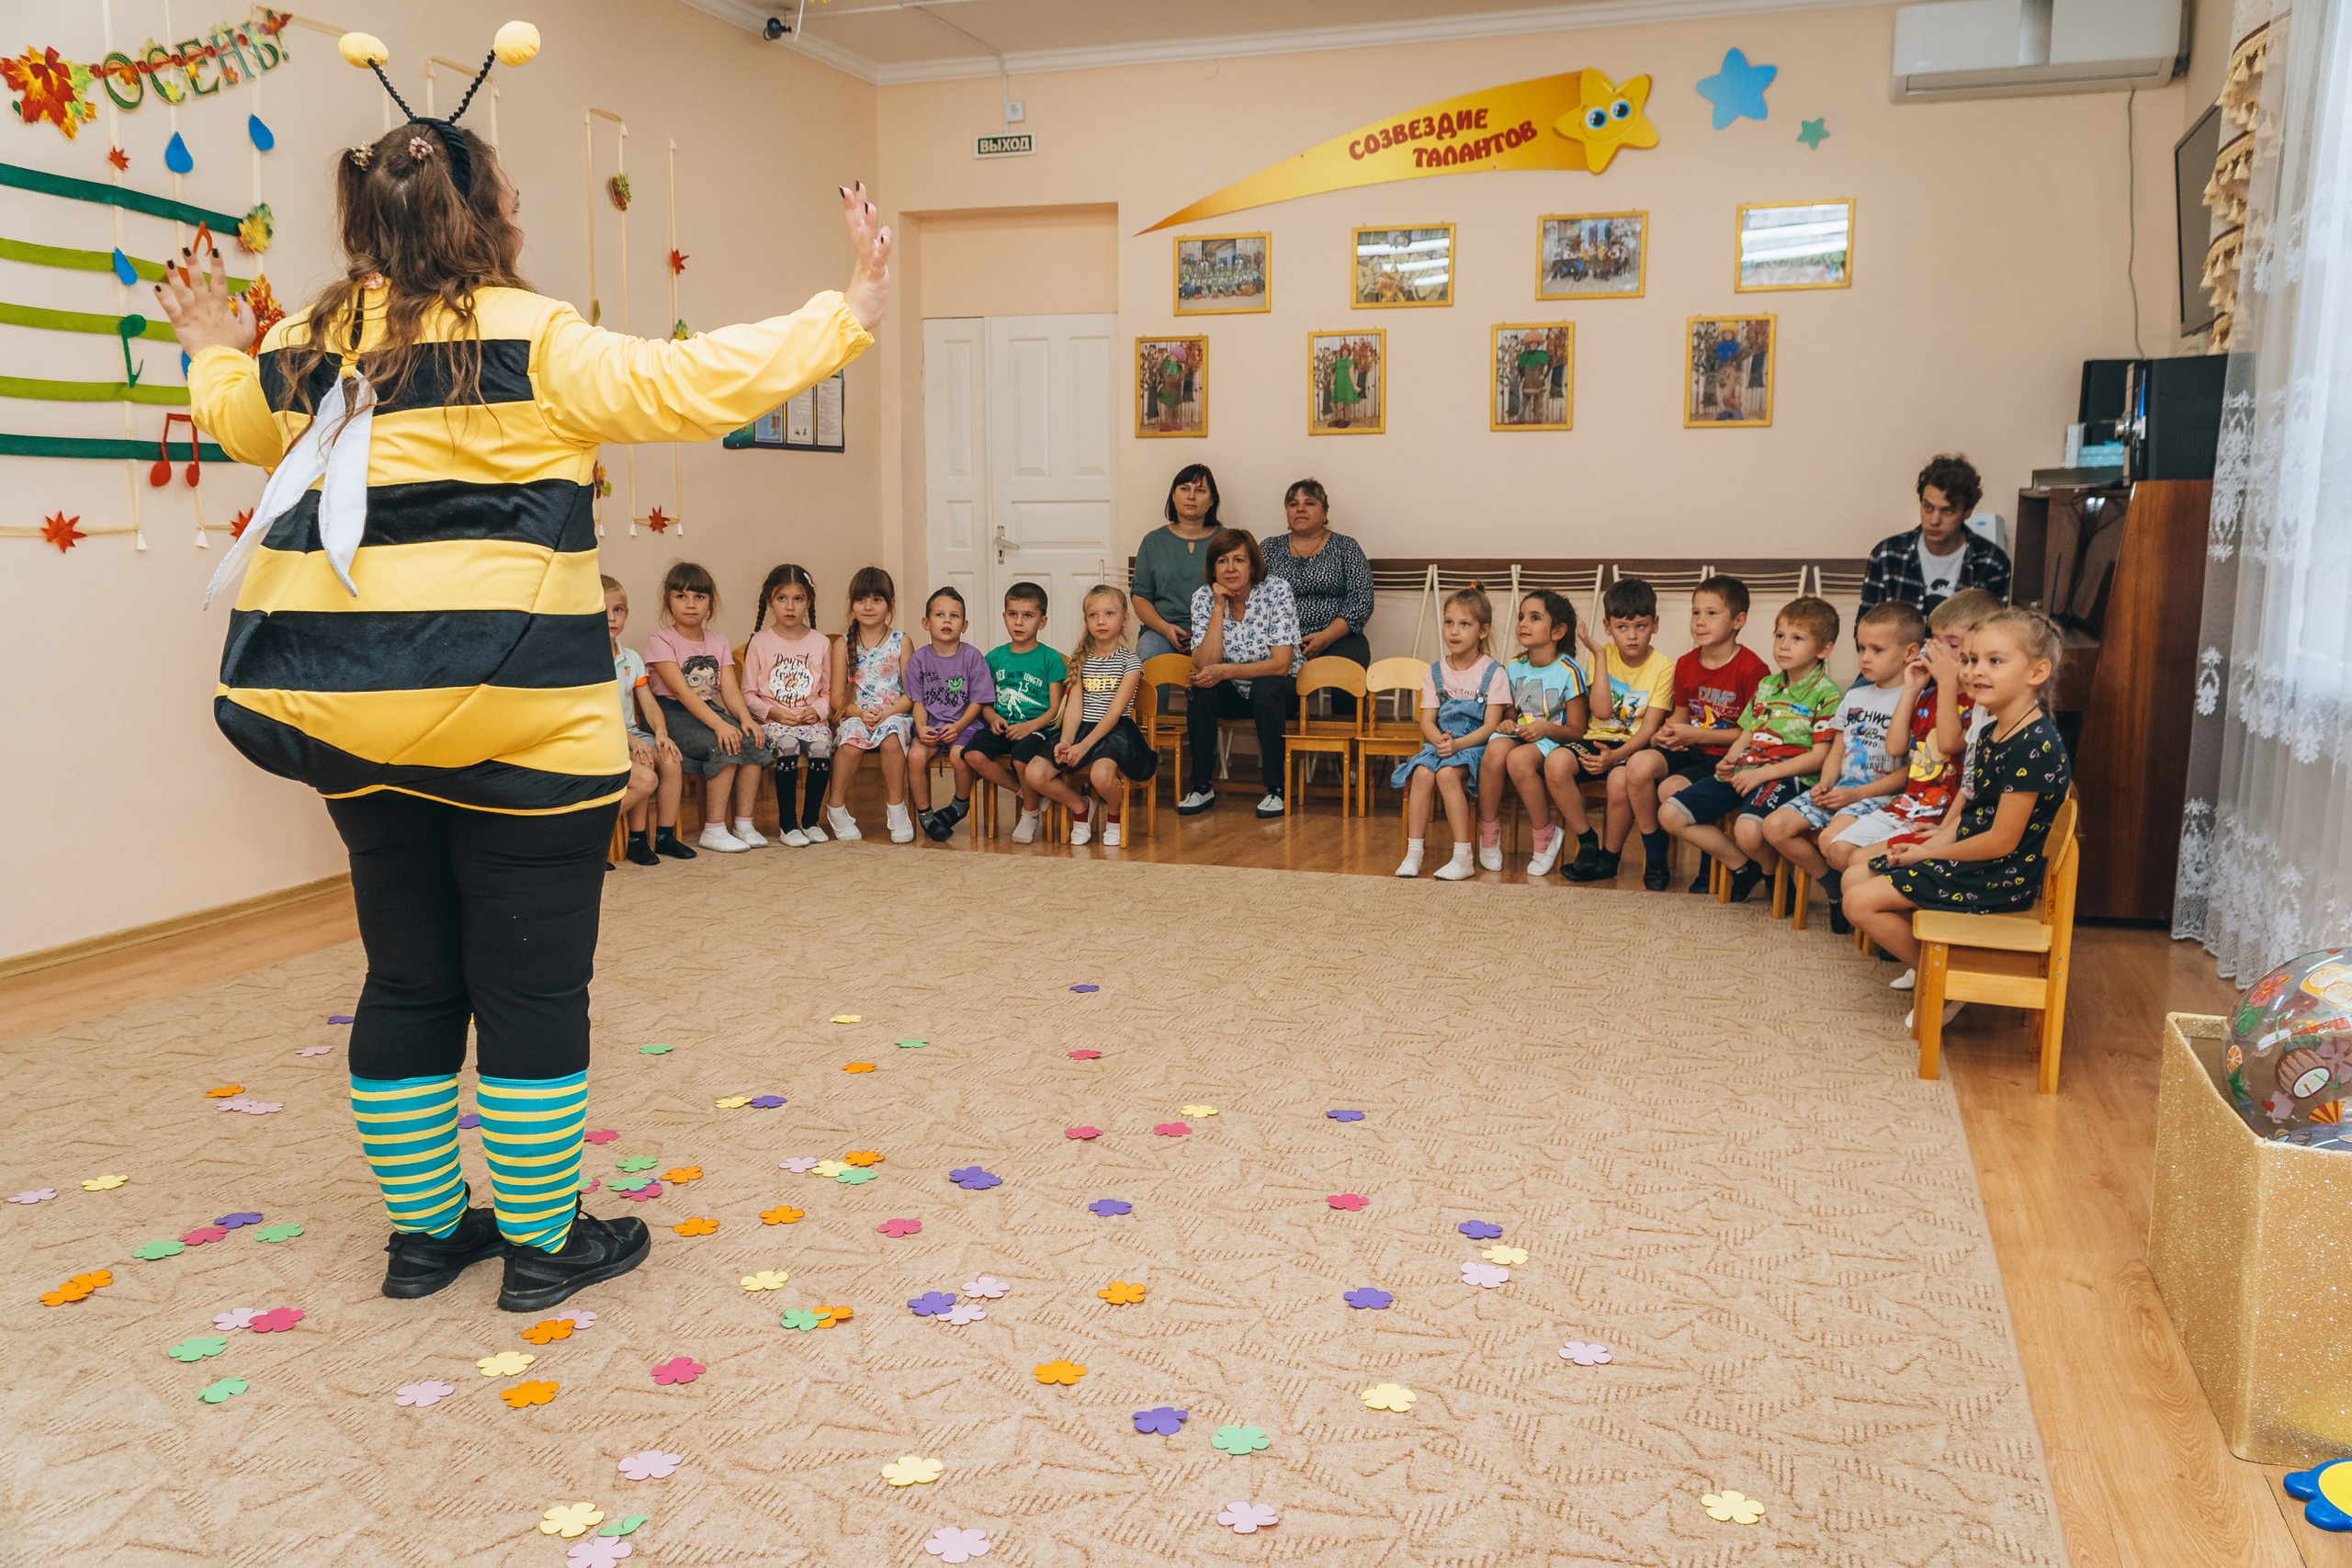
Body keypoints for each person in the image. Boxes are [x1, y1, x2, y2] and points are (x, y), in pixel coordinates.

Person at [167, 36, 888, 1309]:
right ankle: (544, 1250)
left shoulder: (312, 341)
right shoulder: (537, 338)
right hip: (528, 731)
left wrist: (218, 343)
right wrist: (850, 314)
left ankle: (426, 1237)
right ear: (487, 212)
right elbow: (685, 379)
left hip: (362, 729)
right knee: (531, 987)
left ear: (367, 220)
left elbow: (234, 419)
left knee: (406, 977)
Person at [1844, 609, 2073, 1024]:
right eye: (1969, 661)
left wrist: (1923, 856)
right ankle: (1933, 964)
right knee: (1855, 877)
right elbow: (1971, 808)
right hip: (1973, 857)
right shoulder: (1991, 732)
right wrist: (1932, 842)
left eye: (1994, 661)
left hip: (1998, 874)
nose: (1973, 672)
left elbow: (2001, 841)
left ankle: (1946, 980)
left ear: (2037, 672)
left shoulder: (2034, 744)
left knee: (1860, 902)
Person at [1656, 597, 1842, 904]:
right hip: (1747, 770)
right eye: (1780, 636)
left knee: (1748, 832)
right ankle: (1745, 868)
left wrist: (1764, 774)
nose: (1784, 645)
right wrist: (1730, 760)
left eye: (1797, 639)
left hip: (1785, 777)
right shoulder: (1768, 685)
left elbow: (1820, 757)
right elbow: (1749, 731)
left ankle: (1769, 873)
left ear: (1823, 649)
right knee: (1670, 814)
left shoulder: (1827, 693)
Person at [1860, 589, 2002, 982]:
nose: (1938, 653)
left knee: (1859, 874)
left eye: (1952, 645)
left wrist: (1938, 841)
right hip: (1933, 815)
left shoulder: (1981, 706)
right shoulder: (1935, 690)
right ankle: (1922, 959)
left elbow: (1951, 747)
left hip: (1951, 826)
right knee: (1849, 863)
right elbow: (1896, 749)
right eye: (1935, 642)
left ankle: (1940, 976)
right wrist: (1915, 687)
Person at [1759, 601, 1927, 930]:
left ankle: (1872, 902)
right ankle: (1833, 886)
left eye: (1877, 649)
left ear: (1910, 653)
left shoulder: (1916, 699)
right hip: (1843, 789)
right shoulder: (1855, 696)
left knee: (1830, 842)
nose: (1865, 657)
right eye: (1861, 648)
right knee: (1774, 827)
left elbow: (1911, 770)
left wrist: (1856, 794)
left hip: (1879, 795)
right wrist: (1825, 783)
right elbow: (1838, 747)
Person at [1624, 576, 1769, 892]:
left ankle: (1716, 865)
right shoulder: (1686, 664)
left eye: (1711, 613)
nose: (1700, 622)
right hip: (1690, 749)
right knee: (1637, 766)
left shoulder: (1753, 670)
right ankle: (1656, 857)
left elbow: (1751, 736)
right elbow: (1681, 717)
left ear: (1738, 620)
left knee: (1670, 793)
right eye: (1695, 613)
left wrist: (1694, 735)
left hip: (1725, 759)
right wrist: (1666, 734)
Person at [646, 561, 771, 853]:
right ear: (668, 600)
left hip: (706, 710)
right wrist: (720, 725)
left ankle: (744, 823)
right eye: (681, 596)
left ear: (710, 603)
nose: (691, 605)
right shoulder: (660, 640)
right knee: (722, 742)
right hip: (671, 712)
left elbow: (728, 688)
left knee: (751, 739)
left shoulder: (718, 640)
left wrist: (744, 718)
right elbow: (683, 693)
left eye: (699, 597)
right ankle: (713, 829)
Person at [1178, 529, 1303, 819]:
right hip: (1232, 688)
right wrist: (1218, 608)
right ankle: (1201, 786)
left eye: (1239, 560)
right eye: (1223, 561)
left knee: (1265, 687)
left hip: (1281, 689)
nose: (1231, 569)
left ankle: (1276, 790)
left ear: (1253, 565)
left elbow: (1281, 664)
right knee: (1201, 688)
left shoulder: (1277, 591)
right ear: (1213, 568)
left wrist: (1226, 671)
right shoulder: (1203, 598)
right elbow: (1205, 662)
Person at [1392, 588, 1511, 881]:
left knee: (1446, 775)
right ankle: (1414, 852)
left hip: (1474, 745)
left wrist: (1457, 744)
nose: (1454, 631)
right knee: (1421, 773)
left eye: (1464, 624)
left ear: (1483, 631)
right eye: (1448, 623)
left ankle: (1462, 856)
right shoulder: (1435, 672)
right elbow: (1427, 721)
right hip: (1441, 743)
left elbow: (1490, 726)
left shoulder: (1494, 672)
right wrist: (1439, 740)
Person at [1028, 585, 1158, 847]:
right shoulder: (1079, 660)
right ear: (1086, 620)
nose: (1101, 621)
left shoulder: (1131, 663)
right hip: (1080, 729)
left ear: (1124, 619)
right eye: (1093, 615)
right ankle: (1081, 807)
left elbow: (1114, 712)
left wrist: (1084, 745)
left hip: (1115, 731)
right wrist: (1067, 741)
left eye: (1109, 613)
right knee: (1034, 773)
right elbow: (1074, 707)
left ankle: (1113, 814)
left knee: (1101, 776)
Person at [1564, 579, 1674, 883]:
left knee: (1618, 781)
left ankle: (1611, 858)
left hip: (1634, 746)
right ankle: (1587, 840)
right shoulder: (1602, 655)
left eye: (1641, 625)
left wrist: (1614, 758)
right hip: (1597, 739)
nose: (1633, 635)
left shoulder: (1664, 666)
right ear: (1608, 627)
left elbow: (1649, 729)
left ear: (1655, 624)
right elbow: (1600, 712)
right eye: (1622, 627)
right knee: (1555, 763)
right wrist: (1599, 656)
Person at [1476, 590, 1593, 877]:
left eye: (1534, 617)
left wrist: (1545, 728)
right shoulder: (1514, 667)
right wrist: (1506, 722)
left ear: (1558, 631)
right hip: (1522, 735)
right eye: (1521, 617)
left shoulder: (1569, 671)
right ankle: (1488, 830)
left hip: (1554, 740)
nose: (1523, 624)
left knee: (1517, 761)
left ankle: (1546, 835)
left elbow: (1577, 731)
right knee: (1494, 751)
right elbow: (1512, 712)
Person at [965, 581, 1066, 846]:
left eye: (1028, 616)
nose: (1019, 622)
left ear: (1042, 622)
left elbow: (1055, 709)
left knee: (1022, 760)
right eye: (1013, 614)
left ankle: (1029, 813)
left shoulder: (1051, 658)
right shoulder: (994, 658)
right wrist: (992, 718)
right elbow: (984, 701)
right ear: (1004, 617)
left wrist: (1030, 726)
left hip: (1038, 729)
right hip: (1002, 726)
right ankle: (1025, 791)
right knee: (972, 754)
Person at [741, 564, 832, 848]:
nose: (790, 607)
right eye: (782, 599)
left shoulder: (821, 643)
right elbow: (748, 694)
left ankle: (810, 821)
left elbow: (829, 694)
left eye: (798, 599)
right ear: (769, 601)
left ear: (809, 602)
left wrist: (816, 710)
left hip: (812, 722)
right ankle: (788, 824)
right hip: (774, 723)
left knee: (821, 749)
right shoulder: (759, 643)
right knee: (789, 745)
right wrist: (773, 712)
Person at [1860, 454, 2011, 616]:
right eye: (1928, 507)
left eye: (1948, 511)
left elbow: (1993, 635)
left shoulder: (1992, 562)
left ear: (1967, 511)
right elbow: (1864, 631)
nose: (1934, 520)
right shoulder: (1887, 555)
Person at [827, 567, 915, 843]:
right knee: (850, 745)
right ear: (851, 603)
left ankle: (896, 807)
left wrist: (887, 713)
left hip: (894, 713)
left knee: (891, 739)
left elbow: (911, 694)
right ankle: (836, 807)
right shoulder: (842, 644)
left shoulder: (902, 641)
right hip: (856, 714)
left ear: (890, 604)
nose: (868, 607)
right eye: (861, 599)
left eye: (877, 600)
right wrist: (861, 714)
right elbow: (837, 698)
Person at [603, 576, 683, 867]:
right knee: (644, 761)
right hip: (604, 738)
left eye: (619, 610)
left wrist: (661, 733)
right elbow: (600, 714)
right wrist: (633, 741)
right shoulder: (585, 659)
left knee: (669, 758)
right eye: (603, 610)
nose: (611, 618)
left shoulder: (631, 658)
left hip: (632, 734)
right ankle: (636, 840)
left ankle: (665, 836)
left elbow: (648, 703)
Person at [906, 587, 994, 841]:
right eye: (940, 615)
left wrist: (958, 726)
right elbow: (918, 702)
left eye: (954, 616)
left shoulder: (973, 657)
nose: (946, 620)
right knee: (914, 757)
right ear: (926, 622)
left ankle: (960, 804)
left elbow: (978, 701)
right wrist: (921, 728)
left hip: (965, 725)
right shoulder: (919, 660)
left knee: (959, 756)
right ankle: (925, 815)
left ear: (964, 625)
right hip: (931, 724)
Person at [1261, 478, 1374, 674]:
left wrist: (1326, 636)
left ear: (1325, 513)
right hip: (1280, 639)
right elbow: (1252, 596)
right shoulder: (1269, 548)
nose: (1300, 509)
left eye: (1309, 503)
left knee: (1347, 671)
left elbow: (1361, 602)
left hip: (1338, 638)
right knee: (1265, 686)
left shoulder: (1346, 547)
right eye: (1293, 504)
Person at [1131, 465, 1222, 661]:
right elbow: (1140, 597)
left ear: (1212, 500)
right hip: (1162, 632)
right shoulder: (1153, 541)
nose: (1191, 496)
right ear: (1173, 495)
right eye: (1185, 489)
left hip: (1217, 631)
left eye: (1200, 490)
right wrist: (1165, 628)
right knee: (1150, 654)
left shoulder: (1227, 541)